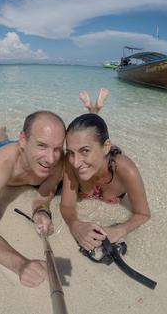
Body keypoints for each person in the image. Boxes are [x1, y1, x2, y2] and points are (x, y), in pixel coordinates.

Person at [0, 111, 66, 288]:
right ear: (22, 140)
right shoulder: (2, 163)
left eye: (57, 148)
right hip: (1, 151)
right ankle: (0, 129)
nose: (51, 158)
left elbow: (43, 197)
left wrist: (41, 211)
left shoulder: (59, 161)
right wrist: (21, 264)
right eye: (42, 145)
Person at [60, 92, 151, 252]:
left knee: (92, 138)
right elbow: (67, 205)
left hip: (106, 155)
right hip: (98, 152)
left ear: (106, 146)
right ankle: (0, 134)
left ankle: (94, 110)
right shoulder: (71, 162)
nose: (75, 162)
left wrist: (119, 230)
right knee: (89, 138)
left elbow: (143, 214)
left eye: (84, 151)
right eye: (71, 152)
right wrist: (75, 226)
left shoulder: (126, 170)